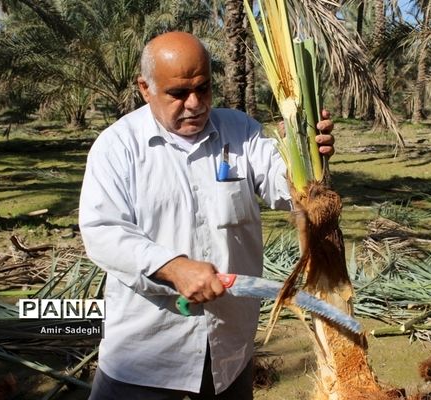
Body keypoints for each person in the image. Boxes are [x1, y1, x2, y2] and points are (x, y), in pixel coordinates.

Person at [79, 31, 335, 399]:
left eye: (204, 88)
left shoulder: (241, 132)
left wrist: (307, 153)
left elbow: (289, 193)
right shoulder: (117, 147)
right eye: (179, 94)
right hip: (145, 354)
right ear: (145, 88)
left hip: (228, 349)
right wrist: (173, 267)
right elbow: (102, 231)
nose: (195, 103)